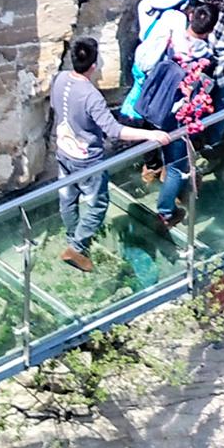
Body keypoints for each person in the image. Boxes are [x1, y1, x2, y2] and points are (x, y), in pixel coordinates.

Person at [49, 38, 174, 272]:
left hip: (64, 150)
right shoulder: (90, 95)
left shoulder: (60, 78)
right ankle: (77, 247)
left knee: (67, 196)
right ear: (94, 66)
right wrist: (151, 135)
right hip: (86, 159)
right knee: (97, 204)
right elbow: (115, 131)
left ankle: (73, 238)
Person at [134, 0, 224, 221]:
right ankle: (166, 212)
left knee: (153, 146)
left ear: (190, 17)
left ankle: (150, 171)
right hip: (177, 118)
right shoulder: (207, 59)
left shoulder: (170, 43)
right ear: (211, 30)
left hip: (154, 105)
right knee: (176, 167)